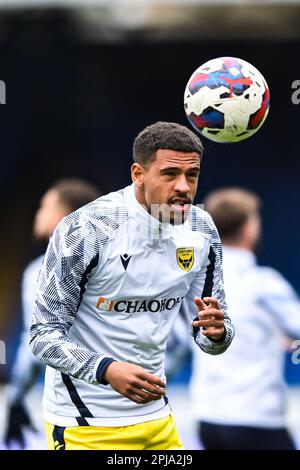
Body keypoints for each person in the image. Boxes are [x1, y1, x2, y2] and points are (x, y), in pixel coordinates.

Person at [29, 122, 234, 451]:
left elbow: (211, 337)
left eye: (191, 175)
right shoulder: (86, 230)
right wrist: (106, 369)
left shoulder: (201, 228)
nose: (183, 186)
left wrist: (217, 333)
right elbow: (42, 337)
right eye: (169, 174)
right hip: (87, 425)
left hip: (159, 420)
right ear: (138, 174)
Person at [188, 188, 300, 450]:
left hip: (208, 418)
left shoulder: (196, 282)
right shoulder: (263, 284)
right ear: (250, 229)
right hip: (255, 418)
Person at [5, 179, 101, 449]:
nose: (38, 213)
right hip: (132, 409)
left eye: (44, 206)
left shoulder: (42, 270)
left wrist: (16, 398)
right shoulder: (121, 263)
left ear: (62, 215)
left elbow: (36, 344)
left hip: (74, 412)